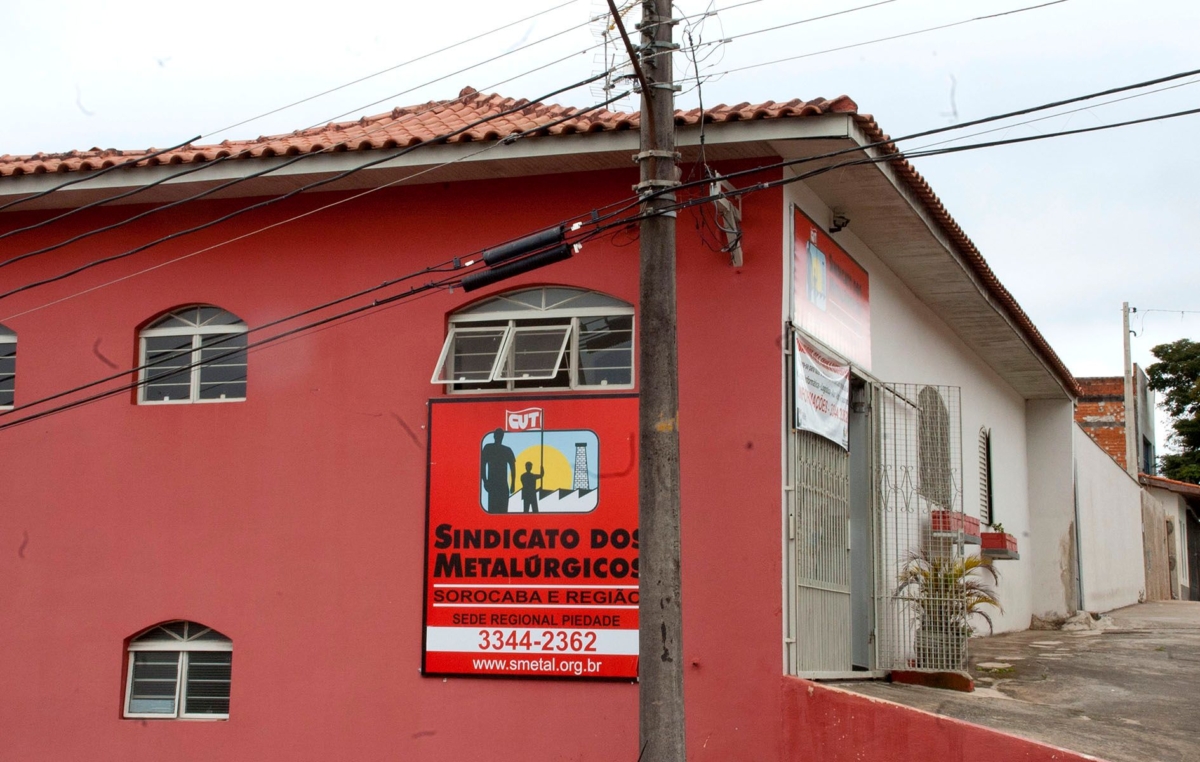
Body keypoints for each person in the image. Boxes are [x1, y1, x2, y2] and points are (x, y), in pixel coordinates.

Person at [480, 428, 515, 514]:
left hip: (502, 485)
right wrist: (485, 481)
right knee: (493, 511)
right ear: (494, 436)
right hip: (493, 484)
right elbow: (482, 465)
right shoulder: (488, 448)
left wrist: (513, 483)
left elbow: (513, 467)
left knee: (503, 512)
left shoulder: (507, 450)